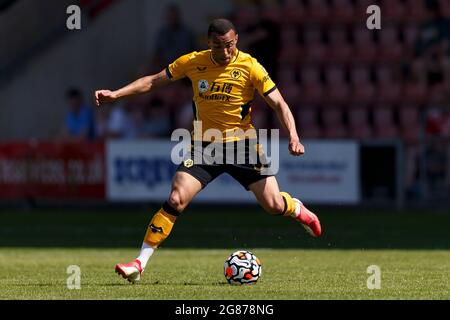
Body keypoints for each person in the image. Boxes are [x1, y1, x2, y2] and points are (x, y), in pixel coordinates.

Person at [95, 19, 322, 283]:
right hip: (204, 146)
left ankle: (295, 207)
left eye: (229, 45)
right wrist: (116, 95)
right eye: (218, 46)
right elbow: (152, 81)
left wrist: (293, 136)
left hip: (243, 146)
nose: (224, 52)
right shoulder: (193, 61)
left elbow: (279, 104)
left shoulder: (250, 66)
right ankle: (139, 263)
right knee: (177, 198)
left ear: (236, 40)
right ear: (208, 43)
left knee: (272, 205)